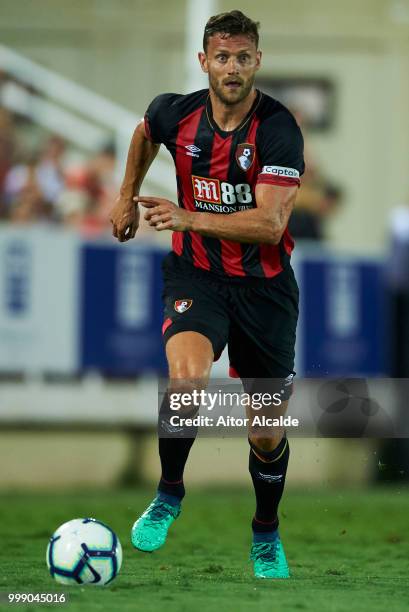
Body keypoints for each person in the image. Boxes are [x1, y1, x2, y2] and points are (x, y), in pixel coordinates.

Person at [110, 10, 304, 579]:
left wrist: (188, 217)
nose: (233, 68)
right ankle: (170, 492)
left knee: (266, 432)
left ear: (258, 62)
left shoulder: (278, 128)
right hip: (197, 278)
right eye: (222, 57)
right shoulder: (177, 111)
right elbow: (146, 131)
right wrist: (127, 196)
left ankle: (265, 534)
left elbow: (270, 225)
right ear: (204, 61)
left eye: (244, 57)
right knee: (187, 381)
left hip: (265, 289)